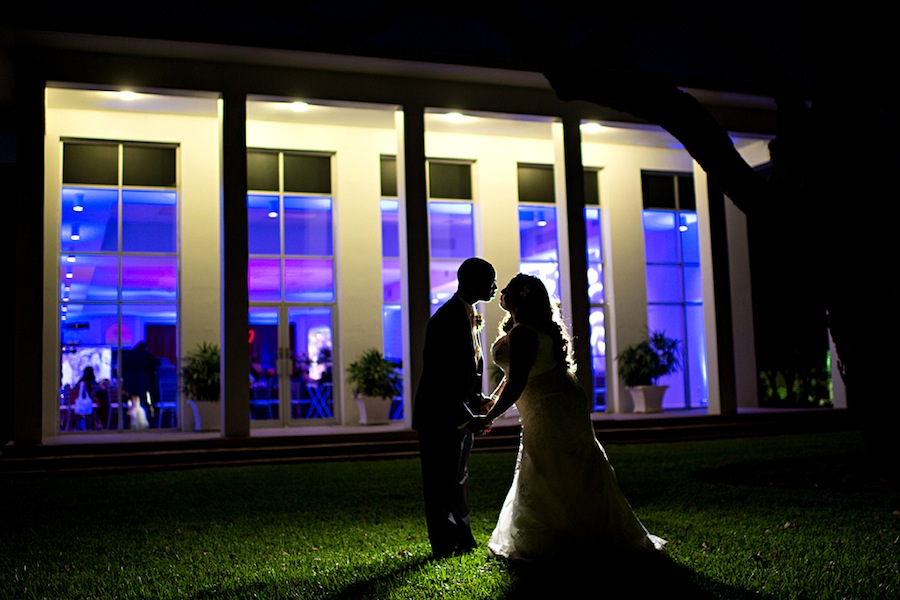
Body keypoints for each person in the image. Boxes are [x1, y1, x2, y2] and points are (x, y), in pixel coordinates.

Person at [472, 273, 666, 562]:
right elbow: (513, 375)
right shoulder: (527, 328)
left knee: (552, 462)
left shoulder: (525, 332)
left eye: (509, 288)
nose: (502, 291)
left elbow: (518, 381)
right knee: (560, 461)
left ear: (521, 297)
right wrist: (492, 400)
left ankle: (562, 534)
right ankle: (576, 528)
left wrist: (491, 417)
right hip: (559, 400)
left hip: (550, 406)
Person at [412, 257, 498, 559]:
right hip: (439, 417)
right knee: (439, 484)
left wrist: (479, 399)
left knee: (458, 480)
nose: (495, 288)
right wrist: (467, 416)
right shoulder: (446, 318)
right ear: (473, 281)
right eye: (491, 281)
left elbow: (466, 370)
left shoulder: (468, 314)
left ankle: (462, 537)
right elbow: (439, 377)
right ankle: (444, 543)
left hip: (460, 413)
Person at [122, 341, 160, 429]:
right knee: (144, 402)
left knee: (130, 403)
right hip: (142, 382)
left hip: (129, 383)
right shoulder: (145, 355)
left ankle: (129, 423)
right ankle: (146, 423)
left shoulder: (128, 355)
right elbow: (155, 363)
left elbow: (122, 369)